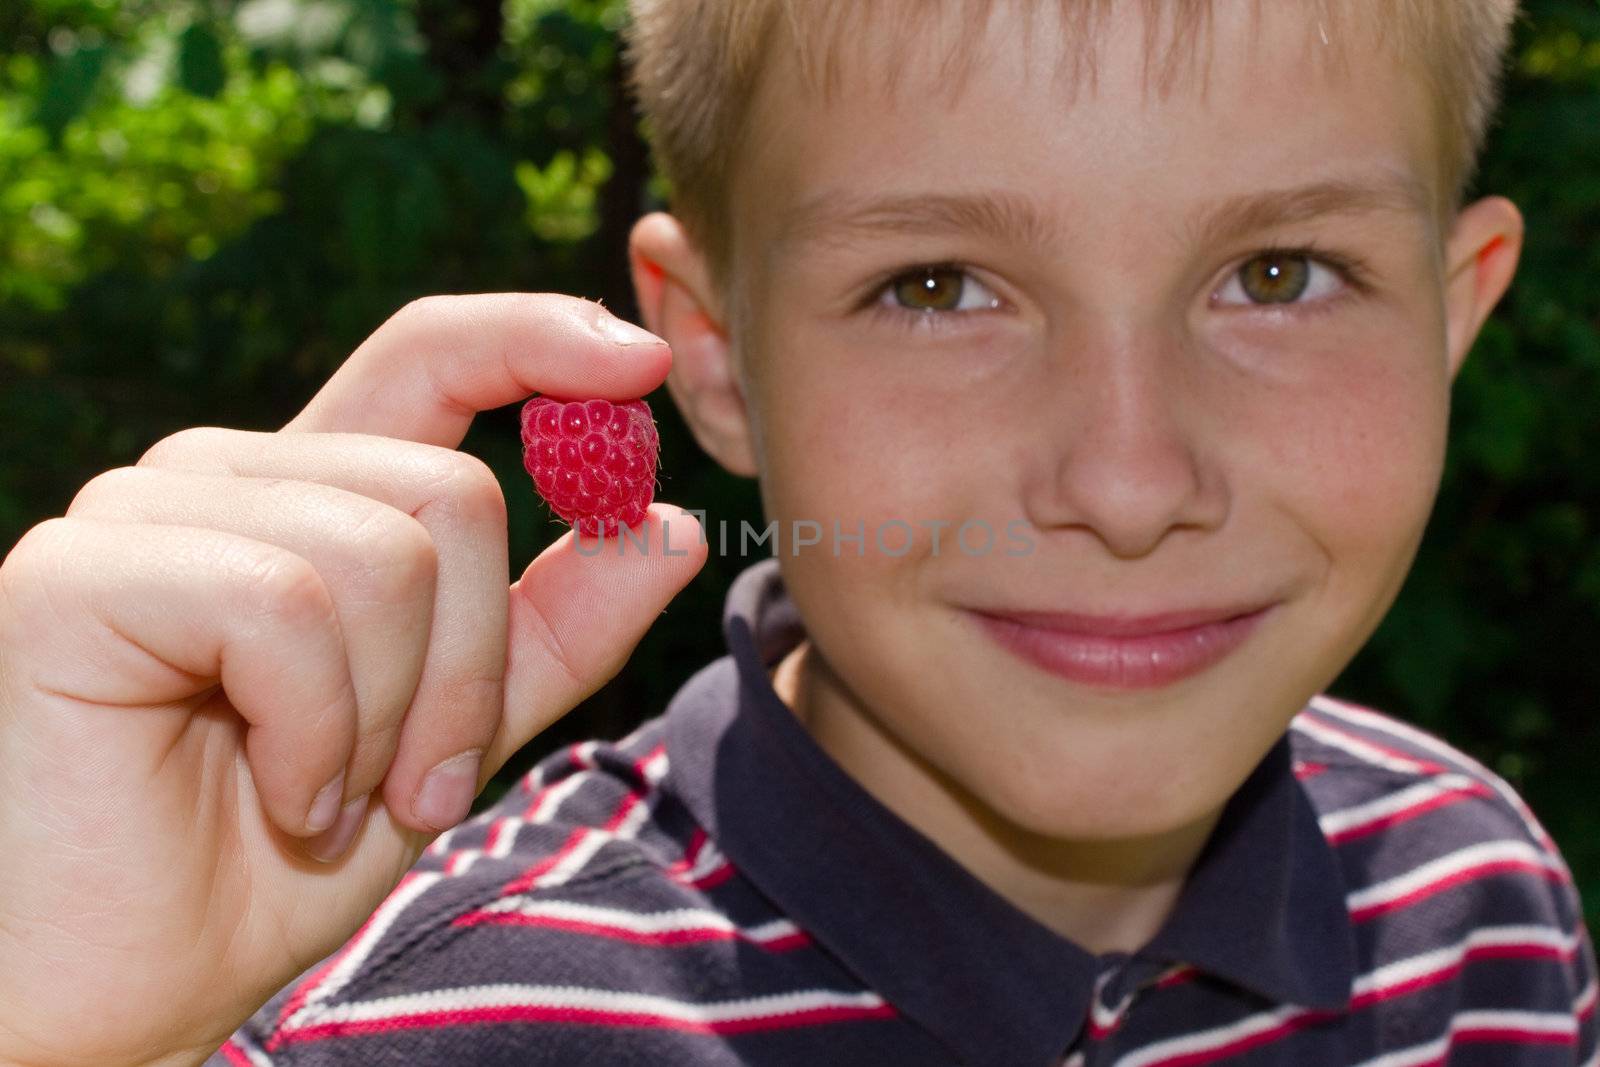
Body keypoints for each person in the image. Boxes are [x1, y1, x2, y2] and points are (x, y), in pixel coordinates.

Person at [0, 1, 1593, 1064]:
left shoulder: (1482, 904)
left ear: (1454, 317)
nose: (1127, 481)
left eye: (1279, 274)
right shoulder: (458, 1031)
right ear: (714, 360)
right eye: (935, 288)